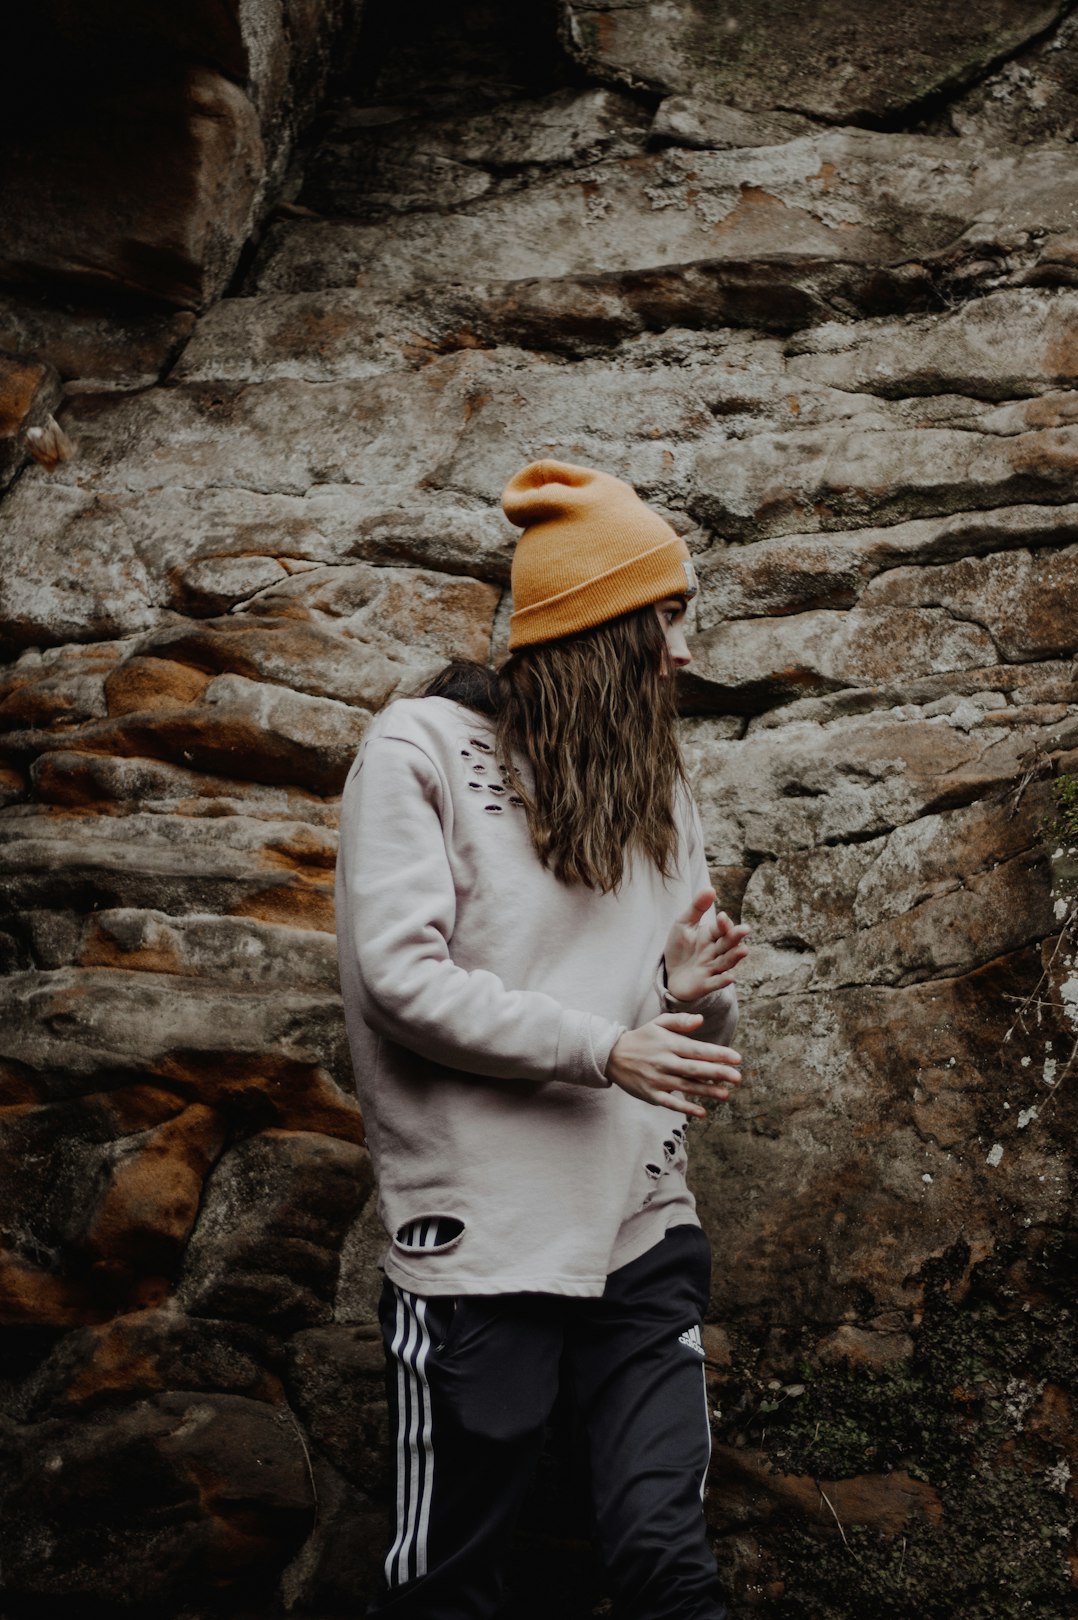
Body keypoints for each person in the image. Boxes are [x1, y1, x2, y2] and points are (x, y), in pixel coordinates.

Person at [335, 459, 750, 1620]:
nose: (681, 651)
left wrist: (682, 1001)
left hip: (643, 1227)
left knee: (668, 1567)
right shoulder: (419, 751)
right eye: (666, 619)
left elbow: (691, 1023)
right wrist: (608, 1048)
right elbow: (400, 981)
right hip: (483, 1243)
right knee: (450, 1586)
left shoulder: (661, 791)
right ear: (604, 625)